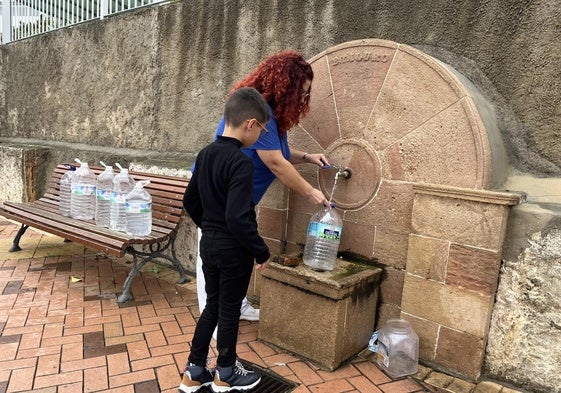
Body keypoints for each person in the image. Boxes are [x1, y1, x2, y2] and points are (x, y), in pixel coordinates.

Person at [196, 49, 330, 324]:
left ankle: (236, 305)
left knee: (239, 254)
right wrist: (311, 192)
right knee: (214, 260)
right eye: (302, 92)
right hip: (219, 197)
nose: (305, 98)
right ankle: (212, 318)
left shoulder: (271, 117)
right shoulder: (259, 114)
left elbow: (279, 152)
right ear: (287, 87)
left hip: (240, 198)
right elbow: (275, 163)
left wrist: (307, 157)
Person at [180, 87, 271, 393]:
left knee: (213, 307)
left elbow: (190, 200)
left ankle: (194, 370)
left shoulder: (205, 154)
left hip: (209, 242)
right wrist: (261, 251)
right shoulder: (241, 162)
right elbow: (238, 217)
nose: (260, 136)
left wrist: (208, 225)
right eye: (262, 129)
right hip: (233, 249)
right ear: (250, 124)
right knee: (230, 310)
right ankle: (226, 372)